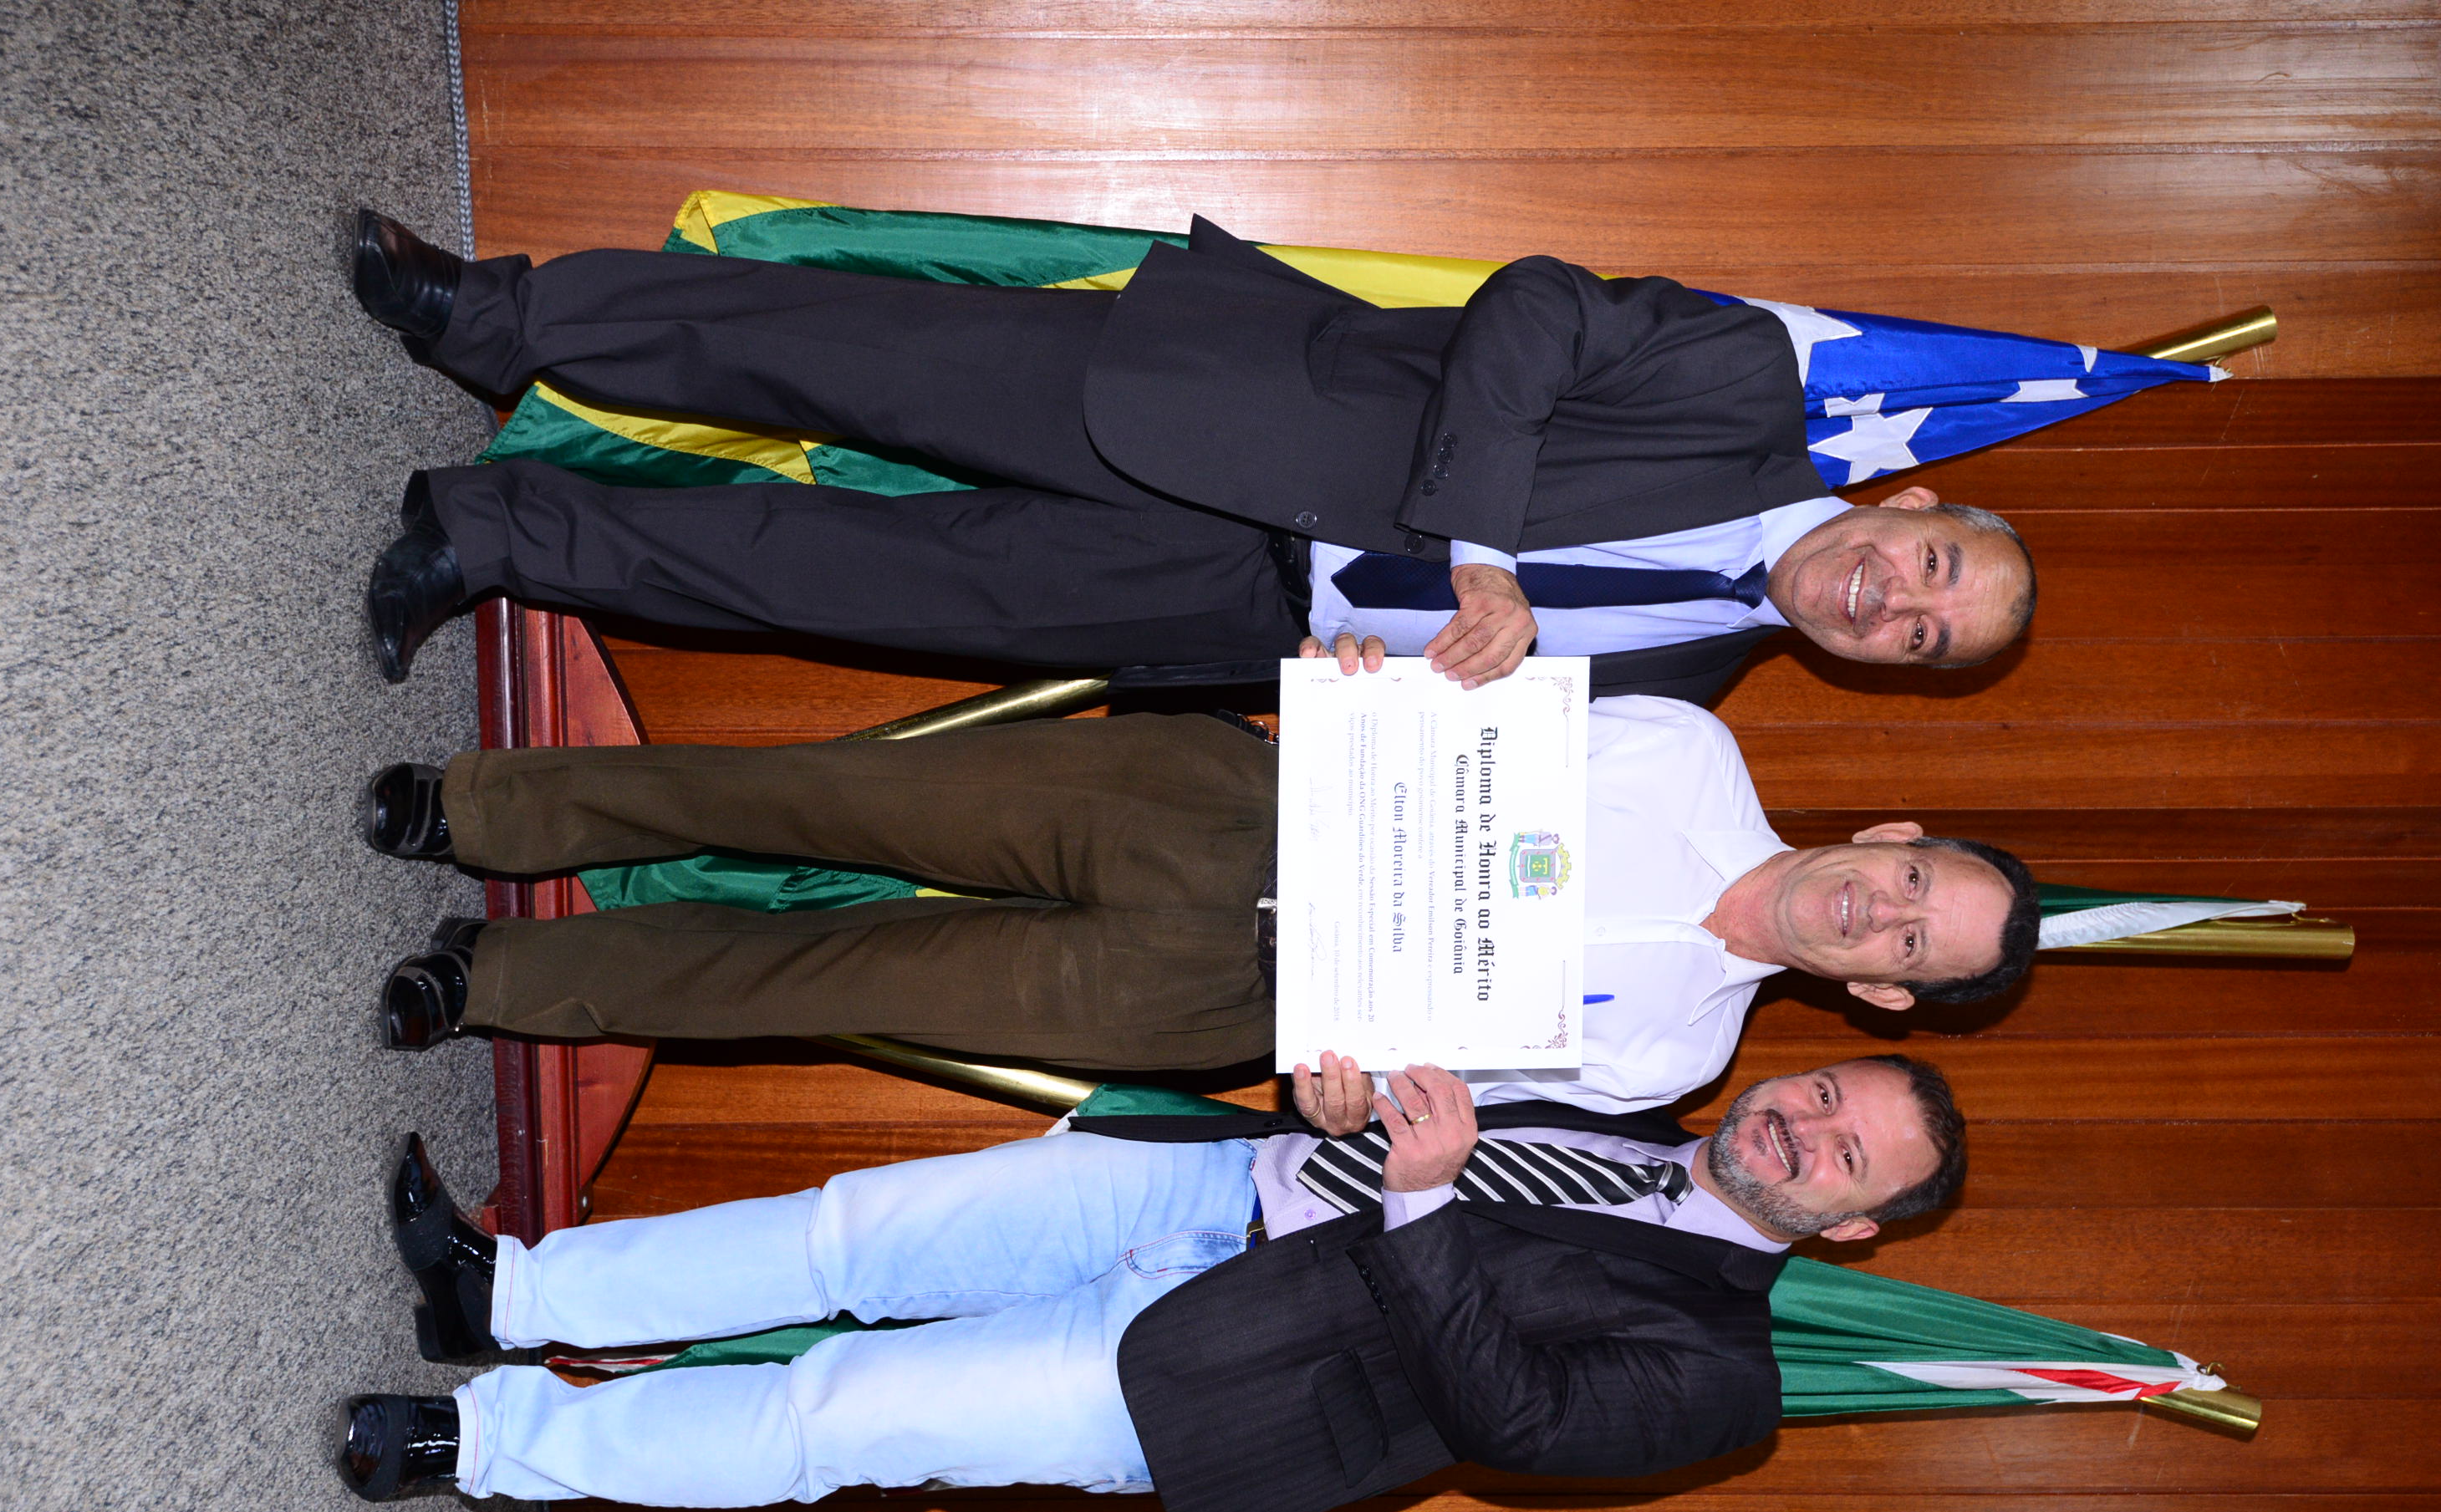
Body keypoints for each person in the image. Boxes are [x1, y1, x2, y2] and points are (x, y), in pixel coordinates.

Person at [349, 211, 2036, 704]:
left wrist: (1376, 700)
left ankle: (487, 538)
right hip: (1223, 404)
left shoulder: (1685, 691)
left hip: (1221, 611)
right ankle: (491, 316)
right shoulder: (1743, 385)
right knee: (832, 347)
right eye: (1931, 567)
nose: (1890, 603)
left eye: (1919, 638)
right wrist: (1482, 553)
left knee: (818, 578)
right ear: (1912, 501)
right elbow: (1531, 309)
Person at [341, 1054, 1967, 1512]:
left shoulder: (1726, 1380)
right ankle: (507, 1287)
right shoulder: (1638, 1092)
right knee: (845, 1234)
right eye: (1824, 1091)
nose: (1799, 1128)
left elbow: (1515, 1417)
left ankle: (480, 1443)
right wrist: (1342, 1086)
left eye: (1842, 1155)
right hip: (1197, 1180)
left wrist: (1417, 1197)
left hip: (1213, 1373)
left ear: (1856, 1226)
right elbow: (1408, 1088)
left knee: (831, 1417)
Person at [364, 697, 2038, 1112]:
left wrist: (1367, 1109)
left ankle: (497, 975)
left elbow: (1451, 1105)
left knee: (827, 982)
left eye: (1910, 943)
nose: (1875, 912)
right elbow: (1460, 706)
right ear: (1891, 831)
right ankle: (488, 809)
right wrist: (1382, 674)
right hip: (1218, 803)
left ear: (1884, 996)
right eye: (1912, 878)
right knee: (824, 797)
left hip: (1221, 1006)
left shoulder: (1677, 1059)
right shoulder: (1688, 750)